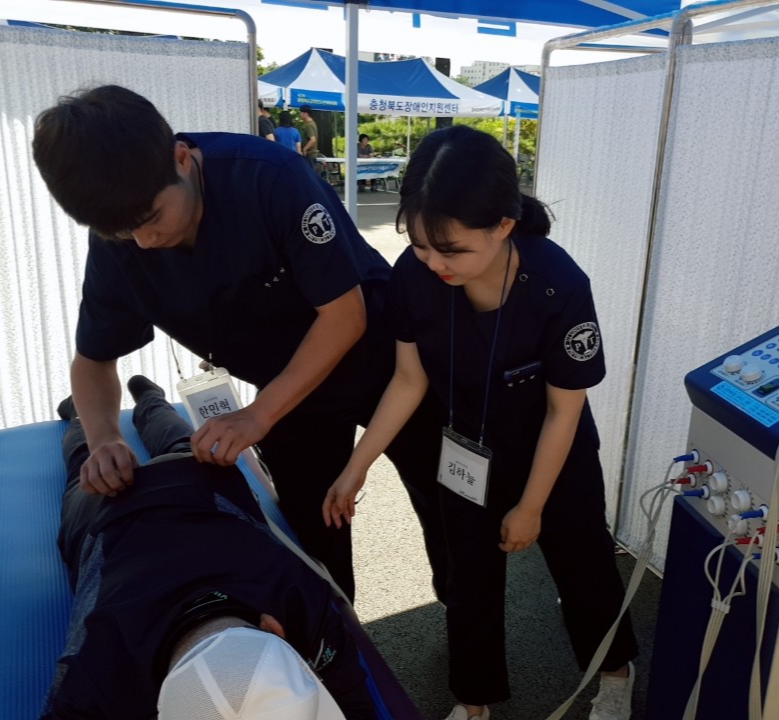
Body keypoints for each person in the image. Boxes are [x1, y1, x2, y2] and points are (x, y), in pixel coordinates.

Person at [31, 85, 447, 605]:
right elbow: (93, 361)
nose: (142, 242)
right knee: (312, 529)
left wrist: (256, 416)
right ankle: (339, 646)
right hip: (288, 388)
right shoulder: (119, 235)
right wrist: (102, 439)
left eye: (151, 219)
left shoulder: (270, 178)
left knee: (444, 501)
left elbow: (345, 316)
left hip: (383, 360)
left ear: (182, 159)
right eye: (119, 233)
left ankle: (467, 634)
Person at [322, 125, 638, 720]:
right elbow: (409, 380)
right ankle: (474, 701)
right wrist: (356, 467)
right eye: (419, 245)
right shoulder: (413, 278)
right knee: (467, 582)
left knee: (586, 569)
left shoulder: (558, 285)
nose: (434, 263)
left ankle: (613, 675)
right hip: (467, 445)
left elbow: (564, 409)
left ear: (503, 226)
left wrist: (532, 506)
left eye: (452, 250)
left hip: (555, 448)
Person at [41, 376, 376, 719]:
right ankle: (120, 408)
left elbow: (355, 703)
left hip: (169, 496)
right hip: (120, 510)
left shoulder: (300, 597)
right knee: (98, 460)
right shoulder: (96, 673)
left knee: (103, 461)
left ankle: (126, 406)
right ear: (272, 628)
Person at [299, 104, 320, 171]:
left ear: (306, 113)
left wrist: (305, 149)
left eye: (301, 112)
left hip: (310, 154)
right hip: (310, 155)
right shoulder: (311, 123)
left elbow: (313, 140)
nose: (300, 114)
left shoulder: (309, 125)